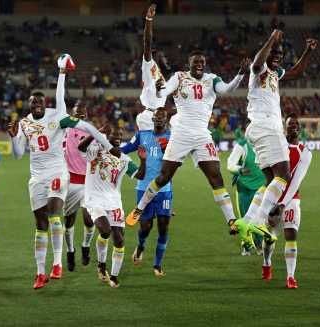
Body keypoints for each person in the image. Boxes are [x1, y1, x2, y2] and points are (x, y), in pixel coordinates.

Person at [7, 54, 114, 289]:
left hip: (57, 173)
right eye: (33, 103)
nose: (37, 105)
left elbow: (82, 122)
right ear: (29, 105)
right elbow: (17, 154)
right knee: (40, 225)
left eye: (40, 102)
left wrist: (62, 73)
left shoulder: (57, 115)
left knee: (56, 215)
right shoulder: (24, 123)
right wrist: (13, 136)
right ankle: (39, 273)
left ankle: (57, 263)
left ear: (45, 104)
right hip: (36, 178)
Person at [125, 50, 250, 235]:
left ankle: (231, 219)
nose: (199, 64)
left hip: (202, 135)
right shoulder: (179, 77)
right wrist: (160, 88)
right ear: (189, 64)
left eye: (202, 61)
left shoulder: (212, 79)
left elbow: (227, 89)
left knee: (216, 176)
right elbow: (166, 90)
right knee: (164, 176)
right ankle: (140, 207)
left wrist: (240, 73)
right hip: (181, 134)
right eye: (195, 62)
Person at [236, 29, 318, 246]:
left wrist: (308, 52)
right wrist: (272, 40)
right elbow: (255, 64)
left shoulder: (274, 74)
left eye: (280, 55)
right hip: (266, 126)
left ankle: (246, 221)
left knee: (270, 180)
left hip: (261, 128)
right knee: (284, 176)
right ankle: (261, 221)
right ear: (267, 54)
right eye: (275, 54)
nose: (278, 57)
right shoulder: (259, 70)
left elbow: (296, 72)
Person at [78, 127, 146, 288]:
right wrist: (95, 133)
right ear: (107, 136)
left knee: (119, 240)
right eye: (115, 134)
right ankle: (101, 264)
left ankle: (114, 276)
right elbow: (80, 148)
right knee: (105, 230)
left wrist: (143, 159)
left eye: (120, 135)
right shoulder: (95, 150)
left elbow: (140, 175)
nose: (117, 137)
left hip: (114, 201)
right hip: (94, 199)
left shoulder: (123, 158)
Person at [260, 115, 312, 289]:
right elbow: (267, 171)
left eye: (296, 124)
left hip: (291, 199)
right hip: (273, 197)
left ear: (300, 128)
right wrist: (272, 200)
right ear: (285, 127)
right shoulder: (277, 147)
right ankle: (267, 262)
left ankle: (291, 276)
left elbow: (296, 180)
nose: (293, 127)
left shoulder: (305, 152)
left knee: (291, 235)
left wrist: (282, 204)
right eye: (290, 124)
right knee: (270, 238)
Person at [121, 108, 172, 276]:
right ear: (153, 119)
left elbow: (177, 162)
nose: (158, 120)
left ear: (166, 120)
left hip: (164, 189)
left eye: (162, 117)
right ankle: (141, 246)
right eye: (156, 117)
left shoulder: (171, 138)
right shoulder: (143, 135)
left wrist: (167, 151)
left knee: (163, 227)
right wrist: (110, 149)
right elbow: (127, 148)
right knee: (146, 226)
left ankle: (157, 265)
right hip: (143, 187)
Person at [62, 100, 96, 270]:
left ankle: (85, 246)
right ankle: (70, 250)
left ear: (87, 114)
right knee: (68, 222)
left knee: (89, 220)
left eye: (83, 112)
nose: (81, 114)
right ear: (72, 114)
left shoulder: (93, 132)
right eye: (77, 112)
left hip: (88, 182)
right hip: (70, 181)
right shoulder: (64, 129)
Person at [227, 129, 265, 255]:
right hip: (244, 188)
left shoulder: (265, 144)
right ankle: (246, 246)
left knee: (260, 218)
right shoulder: (242, 145)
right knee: (245, 218)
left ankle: (259, 244)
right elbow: (230, 164)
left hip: (262, 187)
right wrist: (240, 170)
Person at [136, 4, 167, 131]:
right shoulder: (148, 64)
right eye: (155, 52)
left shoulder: (159, 72)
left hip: (158, 115)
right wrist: (149, 20)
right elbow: (147, 43)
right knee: (152, 149)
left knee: (164, 150)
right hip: (150, 117)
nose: (159, 54)